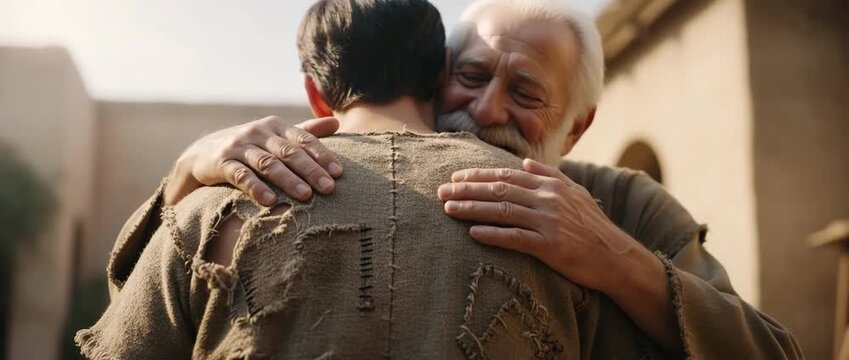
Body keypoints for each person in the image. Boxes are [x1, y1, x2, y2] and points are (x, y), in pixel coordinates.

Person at [94, 0, 803, 358]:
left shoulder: (618, 206)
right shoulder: (268, 172)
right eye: (469, 76)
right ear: (431, 77)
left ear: (577, 127)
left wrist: (616, 262)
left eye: (525, 93)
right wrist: (187, 171)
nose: (486, 109)